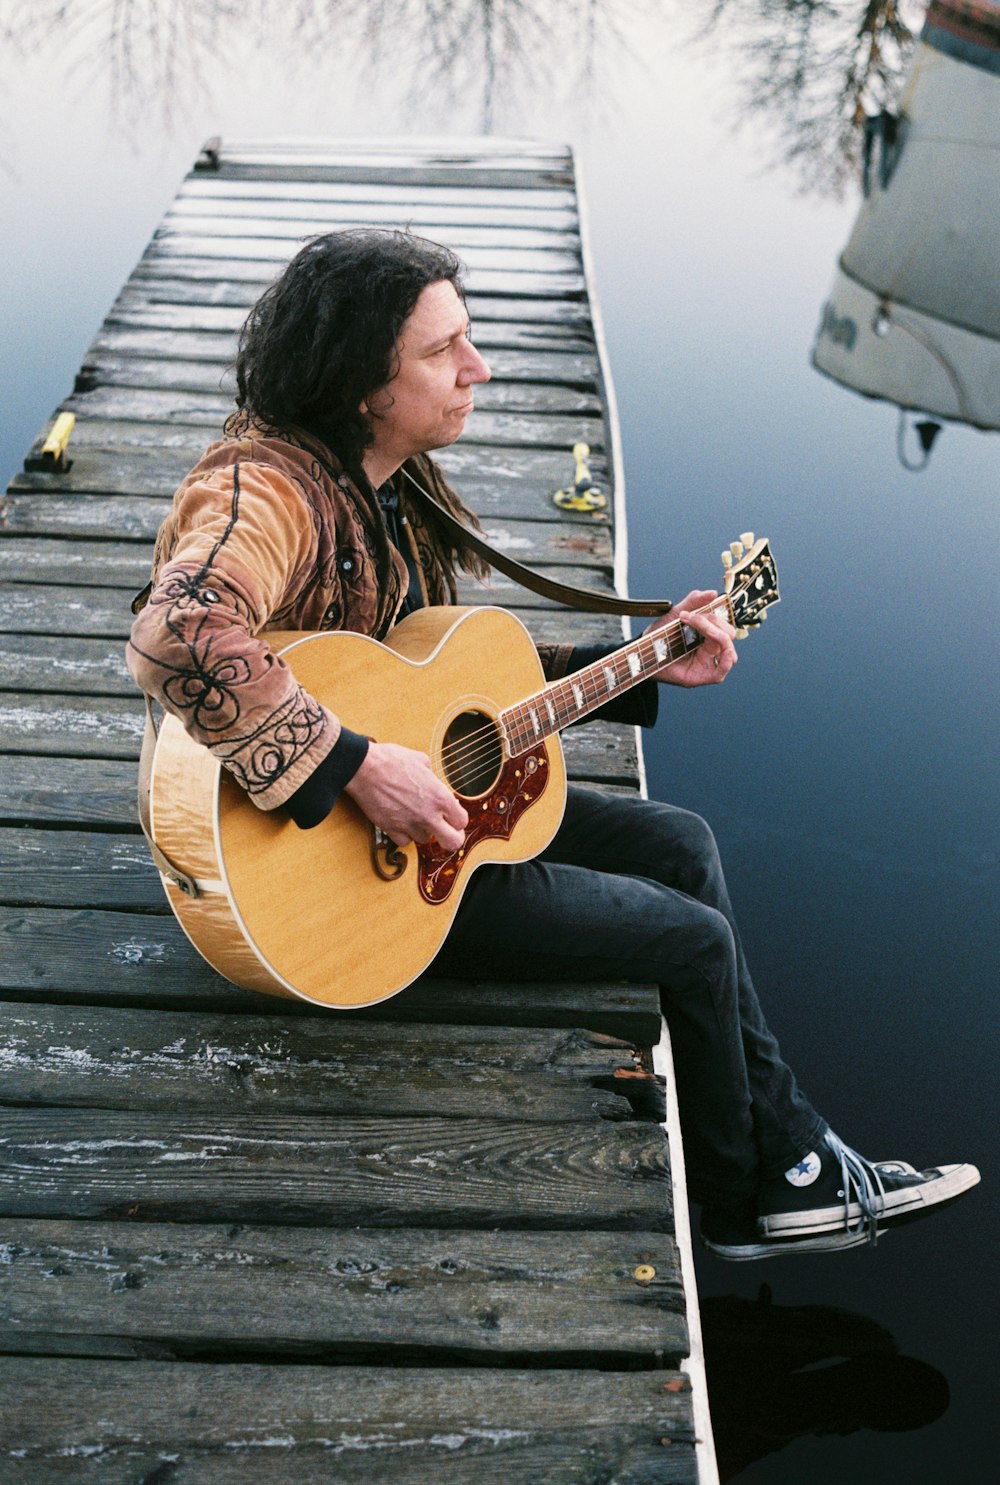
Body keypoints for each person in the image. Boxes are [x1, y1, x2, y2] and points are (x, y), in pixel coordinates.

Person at [127, 229, 979, 1260]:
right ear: (361, 382)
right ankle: (765, 1185)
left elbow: (425, 671)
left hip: (390, 819)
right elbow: (177, 635)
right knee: (692, 939)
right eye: (444, 352)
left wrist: (640, 663)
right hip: (331, 881)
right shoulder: (262, 490)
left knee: (682, 845)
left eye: (469, 340)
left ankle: (779, 1163)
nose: (478, 369)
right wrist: (357, 766)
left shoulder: (385, 479)